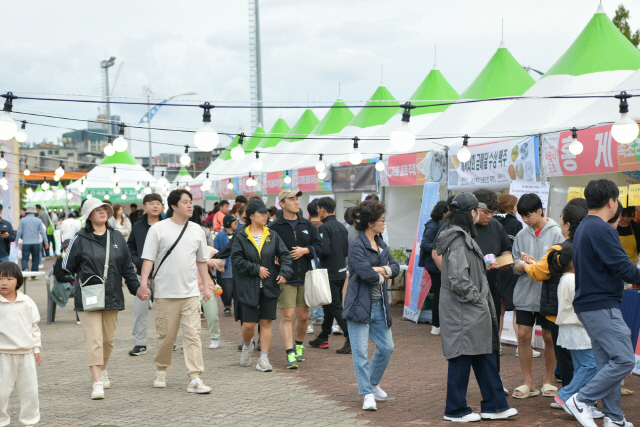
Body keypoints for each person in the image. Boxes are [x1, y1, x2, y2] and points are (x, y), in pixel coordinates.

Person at [436, 193, 517, 422]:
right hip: (465, 311)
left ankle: (495, 405)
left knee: (485, 356)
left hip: (472, 311)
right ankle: (455, 409)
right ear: (471, 213)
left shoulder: (459, 237)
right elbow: (458, 279)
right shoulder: (459, 240)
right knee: (462, 358)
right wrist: (478, 298)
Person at [565, 179, 640, 427]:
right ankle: (581, 400)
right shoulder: (602, 229)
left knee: (608, 363)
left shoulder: (586, 226)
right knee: (625, 359)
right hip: (601, 304)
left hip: (591, 304)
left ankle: (614, 419)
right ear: (612, 201)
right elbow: (625, 269)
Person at [62, 198, 140, 400]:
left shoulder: (117, 237)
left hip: (113, 295)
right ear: (89, 215)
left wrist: (136, 289)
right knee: (94, 340)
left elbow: (127, 268)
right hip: (89, 297)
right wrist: (83, 277)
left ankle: (103, 369)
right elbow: (66, 266)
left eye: (104, 209)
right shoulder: (80, 238)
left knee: (108, 340)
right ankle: (97, 382)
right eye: (96, 210)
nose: (102, 212)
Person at [138, 189, 213, 394]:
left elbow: (202, 261)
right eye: (185, 202)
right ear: (173, 206)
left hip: (190, 292)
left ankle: (195, 377)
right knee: (166, 336)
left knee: (193, 335)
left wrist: (206, 286)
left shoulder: (197, 229)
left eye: (191, 202)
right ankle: (161, 369)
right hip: (165, 293)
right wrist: (144, 283)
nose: (190, 206)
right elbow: (149, 259)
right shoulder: (159, 229)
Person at [516, 202, 588, 400]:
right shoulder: (590, 245)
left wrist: (527, 265)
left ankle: (570, 397)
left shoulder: (560, 248)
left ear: (566, 225)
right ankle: (584, 397)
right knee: (584, 356)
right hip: (588, 309)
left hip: (562, 311)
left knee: (566, 355)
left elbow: (542, 271)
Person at [343, 200, 399, 411]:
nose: (384, 223)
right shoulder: (356, 245)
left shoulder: (381, 242)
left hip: (380, 305)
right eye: (381, 220)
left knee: (387, 347)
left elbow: (395, 267)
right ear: (370, 222)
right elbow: (366, 274)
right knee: (360, 353)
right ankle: (366, 393)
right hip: (359, 304)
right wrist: (383, 273)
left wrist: (381, 270)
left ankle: (373, 383)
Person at [511, 193, 563, 399]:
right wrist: (522, 264)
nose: (525, 220)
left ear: (540, 210)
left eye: (529, 215)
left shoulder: (557, 233)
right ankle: (528, 382)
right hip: (524, 294)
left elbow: (559, 264)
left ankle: (548, 380)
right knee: (523, 336)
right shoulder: (521, 236)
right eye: (522, 216)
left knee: (549, 338)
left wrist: (535, 264)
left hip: (547, 295)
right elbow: (515, 264)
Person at [231, 199, 292, 372]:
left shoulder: (272, 234)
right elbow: (236, 259)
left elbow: (285, 255)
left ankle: (263, 359)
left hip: (269, 285)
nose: (266, 216)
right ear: (251, 215)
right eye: (261, 213)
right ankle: (247, 345)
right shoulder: (241, 235)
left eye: (267, 213)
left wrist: (284, 273)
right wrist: (255, 269)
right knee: (249, 324)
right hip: (248, 285)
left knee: (266, 322)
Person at [546, 244, 605, 420]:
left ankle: (582, 403)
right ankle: (566, 396)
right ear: (574, 261)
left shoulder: (567, 278)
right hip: (577, 329)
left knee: (582, 366)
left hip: (572, 329)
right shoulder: (572, 280)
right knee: (590, 365)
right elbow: (582, 305)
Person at [269, 189, 321, 369]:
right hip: (286, 277)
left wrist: (305, 250)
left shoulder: (306, 224)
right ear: (281, 204)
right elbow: (266, 249)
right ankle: (290, 352)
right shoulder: (274, 227)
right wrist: (272, 258)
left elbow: (320, 247)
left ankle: (299, 344)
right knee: (287, 315)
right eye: (291, 199)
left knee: (303, 317)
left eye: (297, 199)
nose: (296, 202)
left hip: (305, 276)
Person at [0, 262, 41, 426]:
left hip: (26, 355)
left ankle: (29, 421)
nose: (4, 282)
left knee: (29, 392)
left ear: (18, 281)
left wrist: (36, 348)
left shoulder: (27, 301)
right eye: (0, 278)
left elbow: (34, 327)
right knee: (1, 392)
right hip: (3, 354)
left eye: (9, 278)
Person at [309, 197, 351, 354]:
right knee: (329, 305)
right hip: (340, 271)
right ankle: (323, 338)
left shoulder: (324, 228)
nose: (317, 211)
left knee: (334, 306)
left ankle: (350, 339)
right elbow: (346, 250)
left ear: (322, 209)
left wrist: (312, 250)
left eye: (318, 208)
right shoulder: (342, 226)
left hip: (329, 272)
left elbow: (324, 250)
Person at [126, 193, 163, 357]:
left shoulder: (168, 225)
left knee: (167, 310)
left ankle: (170, 341)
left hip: (165, 273)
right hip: (143, 274)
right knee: (140, 310)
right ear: (145, 207)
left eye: (158, 203)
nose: (155, 206)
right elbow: (130, 246)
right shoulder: (138, 226)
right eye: (151, 203)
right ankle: (140, 343)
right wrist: (137, 260)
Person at [189, 205, 220, 349]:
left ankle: (215, 337)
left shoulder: (205, 239)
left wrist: (208, 261)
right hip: (189, 285)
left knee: (211, 314)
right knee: (190, 317)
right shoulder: (203, 231)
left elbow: (218, 257)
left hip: (206, 284)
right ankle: (192, 339)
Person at [418, 200, 449, 336]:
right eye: (448, 212)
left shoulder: (437, 224)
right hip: (434, 265)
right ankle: (436, 325)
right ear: (443, 212)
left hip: (435, 264)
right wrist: (439, 249)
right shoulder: (433, 225)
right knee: (439, 294)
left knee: (440, 294)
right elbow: (424, 244)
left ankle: (438, 324)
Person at [494, 194, 522, 344]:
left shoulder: (492, 221)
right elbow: (515, 249)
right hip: (510, 269)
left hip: (495, 268)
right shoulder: (514, 223)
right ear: (511, 207)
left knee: (499, 310)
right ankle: (522, 346)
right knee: (517, 309)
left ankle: (496, 345)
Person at [214, 213, 237, 317]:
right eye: (234, 222)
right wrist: (219, 265)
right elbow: (217, 251)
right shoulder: (219, 236)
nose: (236, 223)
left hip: (237, 267)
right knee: (226, 289)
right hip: (226, 267)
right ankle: (227, 306)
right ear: (228, 223)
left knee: (237, 288)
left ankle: (237, 306)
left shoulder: (239, 233)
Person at [306, 200, 324, 333]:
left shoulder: (305, 226)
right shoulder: (325, 226)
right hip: (323, 263)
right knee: (322, 289)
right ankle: (320, 316)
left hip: (308, 262)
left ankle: (309, 323)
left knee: (308, 292)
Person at [16, 206, 49, 276]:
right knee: (35, 259)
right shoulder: (38, 220)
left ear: (27, 212)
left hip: (26, 243)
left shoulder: (23, 220)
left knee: (25, 258)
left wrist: (16, 240)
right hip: (36, 243)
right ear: (35, 212)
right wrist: (46, 242)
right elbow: (42, 232)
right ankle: (34, 276)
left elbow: (19, 232)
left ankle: (25, 270)